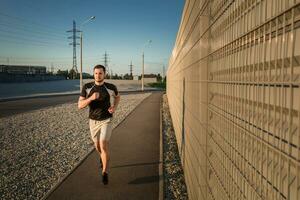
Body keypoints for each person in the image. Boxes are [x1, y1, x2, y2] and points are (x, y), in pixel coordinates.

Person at [78, 64, 120, 185]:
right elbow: (80, 105)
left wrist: (114, 107)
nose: (98, 75)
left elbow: (118, 97)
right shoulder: (87, 87)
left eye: (100, 73)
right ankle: (102, 158)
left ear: (104, 74)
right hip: (93, 121)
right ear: (93, 74)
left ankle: (105, 172)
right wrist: (90, 98)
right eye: (96, 73)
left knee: (103, 144)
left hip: (107, 119)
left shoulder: (111, 87)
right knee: (97, 146)